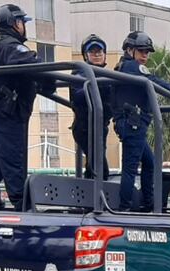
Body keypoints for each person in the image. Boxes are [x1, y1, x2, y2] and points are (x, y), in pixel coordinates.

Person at [0, 4, 54, 211]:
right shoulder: (9, 45)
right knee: (13, 156)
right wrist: (48, 78)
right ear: (14, 23)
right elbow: (33, 63)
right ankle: (21, 203)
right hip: (7, 109)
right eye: (22, 22)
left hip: (0, 106)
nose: (24, 26)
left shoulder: (0, 43)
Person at [112, 31, 170, 212]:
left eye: (147, 51)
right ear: (130, 50)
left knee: (150, 162)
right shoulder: (131, 67)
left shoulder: (124, 66)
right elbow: (154, 81)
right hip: (133, 124)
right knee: (130, 169)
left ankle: (148, 203)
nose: (145, 55)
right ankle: (125, 209)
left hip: (133, 124)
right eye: (141, 51)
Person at [70, 33, 112, 180]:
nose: (96, 54)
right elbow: (78, 94)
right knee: (99, 167)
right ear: (86, 56)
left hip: (101, 127)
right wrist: (95, 86)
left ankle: (90, 197)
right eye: (92, 52)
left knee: (94, 164)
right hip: (85, 127)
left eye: (99, 51)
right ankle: (93, 198)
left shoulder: (108, 75)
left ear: (105, 54)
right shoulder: (80, 72)